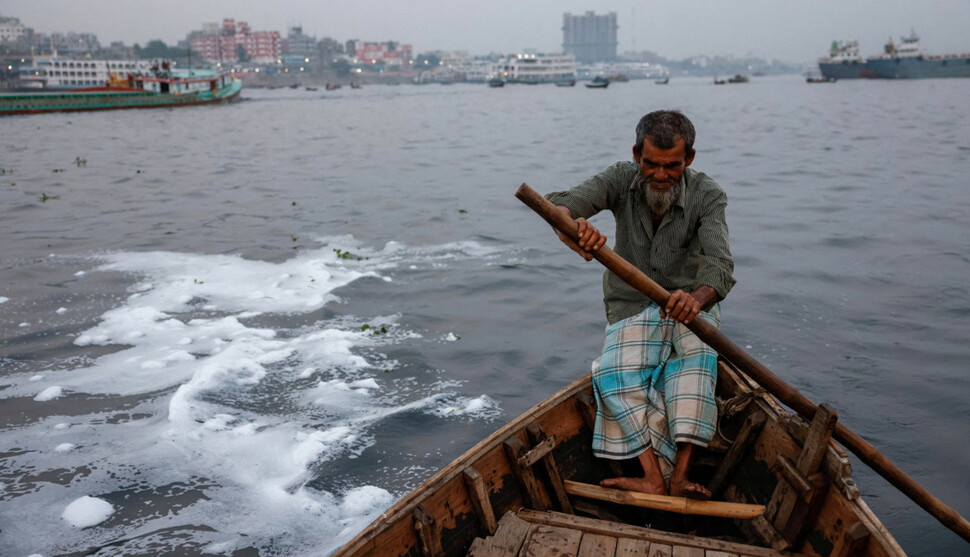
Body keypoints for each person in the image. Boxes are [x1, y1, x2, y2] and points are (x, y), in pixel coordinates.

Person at [544, 110, 735, 499]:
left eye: (672, 166)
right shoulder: (619, 178)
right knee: (612, 376)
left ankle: (681, 475)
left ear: (690, 160)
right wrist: (574, 229)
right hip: (630, 304)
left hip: (689, 306)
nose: (661, 175)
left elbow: (719, 265)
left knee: (697, 365)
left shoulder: (707, 195)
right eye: (651, 164)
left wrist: (695, 299)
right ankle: (652, 475)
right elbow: (560, 205)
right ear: (636, 155)